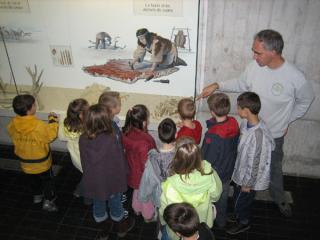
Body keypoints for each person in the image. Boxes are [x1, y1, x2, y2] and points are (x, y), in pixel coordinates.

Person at [198, 29, 315, 217]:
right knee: (243, 162)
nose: (254, 56)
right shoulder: (254, 67)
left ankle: (279, 198)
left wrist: (288, 120)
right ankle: (240, 190)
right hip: (248, 131)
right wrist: (217, 85)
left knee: (274, 167)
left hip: (273, 134)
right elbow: (241, 83)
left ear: (273, 52)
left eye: (257, 52)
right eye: (253, 51)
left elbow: (306, 100)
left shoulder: (294, 77)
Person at [79, 104, 135, 237]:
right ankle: (120, 228)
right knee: (115, 202)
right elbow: (118, 161)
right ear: (106, 121)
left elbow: (84, 161)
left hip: (94, 181)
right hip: (111, 181)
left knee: (98, 203)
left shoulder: (83, 138)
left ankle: (102, 231)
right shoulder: (112, 138)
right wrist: (124, 174)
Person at [226, 92, 275, 235]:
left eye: (239, 107)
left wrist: (248, 183)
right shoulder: (245, 123)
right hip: (242, 171)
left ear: (246, 111)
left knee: (242, 200)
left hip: (248, 179)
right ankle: (238, 214)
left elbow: (255, 162)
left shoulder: (257, 135)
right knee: (237, 196)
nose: (237, 110)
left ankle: (243, 222)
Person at [159, 137, 222, 240]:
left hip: (179, 230)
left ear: (176, 158)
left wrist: (163, 222)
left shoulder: (170, 185)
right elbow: (216, 196)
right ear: (198, 156)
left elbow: (165, 211)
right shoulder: (209, 174)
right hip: (201, 224)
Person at [7, 94, 59, 212]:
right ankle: (48, 201)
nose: (36, 106)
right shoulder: (38, 125)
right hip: (42, 163)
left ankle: (37, 196)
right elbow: (50, 135)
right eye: (35, 104)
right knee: (48, 181)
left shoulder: (12, 124)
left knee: (33, 180)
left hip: (25, 162)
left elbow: (11, 132)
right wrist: (53, 120)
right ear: (30, 109)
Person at [201, 93, 239, 229]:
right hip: (228, 169)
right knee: (223, 196)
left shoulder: (213, 135)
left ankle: (213, 221)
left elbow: (207, 159)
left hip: (215, 174)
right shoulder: (234, 123)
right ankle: (222, 221)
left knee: (212, 198)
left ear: (212, 111)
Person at [122, 104, 157, 222]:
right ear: (143, 122)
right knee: (146, 196)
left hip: (131, 172)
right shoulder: (145, 141)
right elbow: (147, 163)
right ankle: (148, 216)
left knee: (136, 191)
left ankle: (136, 208)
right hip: (143, 175)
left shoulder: (126, 132)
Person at [138, 118, 177, 210]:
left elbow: (147, 181)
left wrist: (143, 197)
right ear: (176, 134)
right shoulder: (181, 155)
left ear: (159, 136)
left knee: (162, 216)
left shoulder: (152, 159)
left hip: (160, 197)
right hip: (177, 196)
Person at [58, 98, 89, 198]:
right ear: (81, 115)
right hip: (85, 158)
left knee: (85, 174)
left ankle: (81, 189)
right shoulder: (85, 127)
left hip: (75, 157)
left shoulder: (65, 122)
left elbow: (61, 137)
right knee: (89, 175)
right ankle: (80, 191)